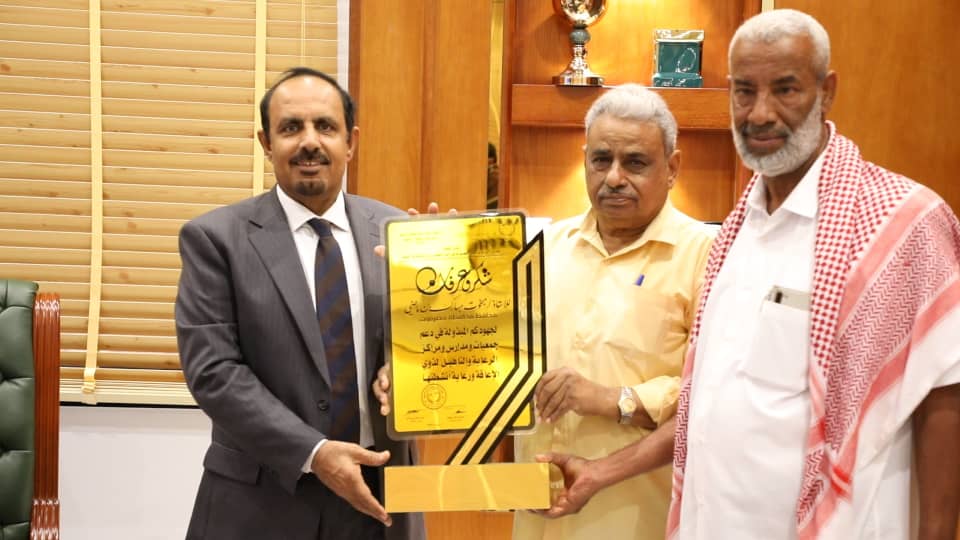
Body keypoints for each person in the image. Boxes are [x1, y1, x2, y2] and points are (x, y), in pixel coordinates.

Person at [538, 9, 960, 540]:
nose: (761, 113)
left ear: (826, 92)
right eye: (744, 91)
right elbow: (707, 403)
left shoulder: (901, 223)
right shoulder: (737, 234)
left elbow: (944, 389)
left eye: (785, 89)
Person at [374, 84, 715, 540]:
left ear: (672, 168)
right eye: (601, 160)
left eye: (635, 162)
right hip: (538, 517)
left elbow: (713, 398)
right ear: (585, 160)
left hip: (639, 520)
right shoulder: (538, 250)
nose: (614, 177)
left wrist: (613, 399)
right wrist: (416, 352)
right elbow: (484, 353)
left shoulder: (708, 256)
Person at [175, 67, 426, 540]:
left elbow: (427, 348)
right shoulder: (216, 239)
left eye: (325, 126)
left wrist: (451, 278)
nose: (310, 142)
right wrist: (315, 452)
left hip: (381, 501)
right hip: (261, 504)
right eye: (291, 127)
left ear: (351, 142)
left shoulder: (399, 231)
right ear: (266, 143)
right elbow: (213, 372)